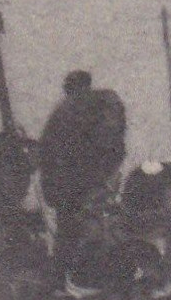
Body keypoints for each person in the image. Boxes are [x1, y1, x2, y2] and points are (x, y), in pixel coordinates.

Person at [38, 71, 126, 264]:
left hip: (68, 191)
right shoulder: (107, 103)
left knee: (69, 238)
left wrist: (53, 195)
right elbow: (116, 146)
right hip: (95, 184)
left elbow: (47, 156)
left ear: (67, 88)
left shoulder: (59, 114)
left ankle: (67, 275)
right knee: (102, 230)